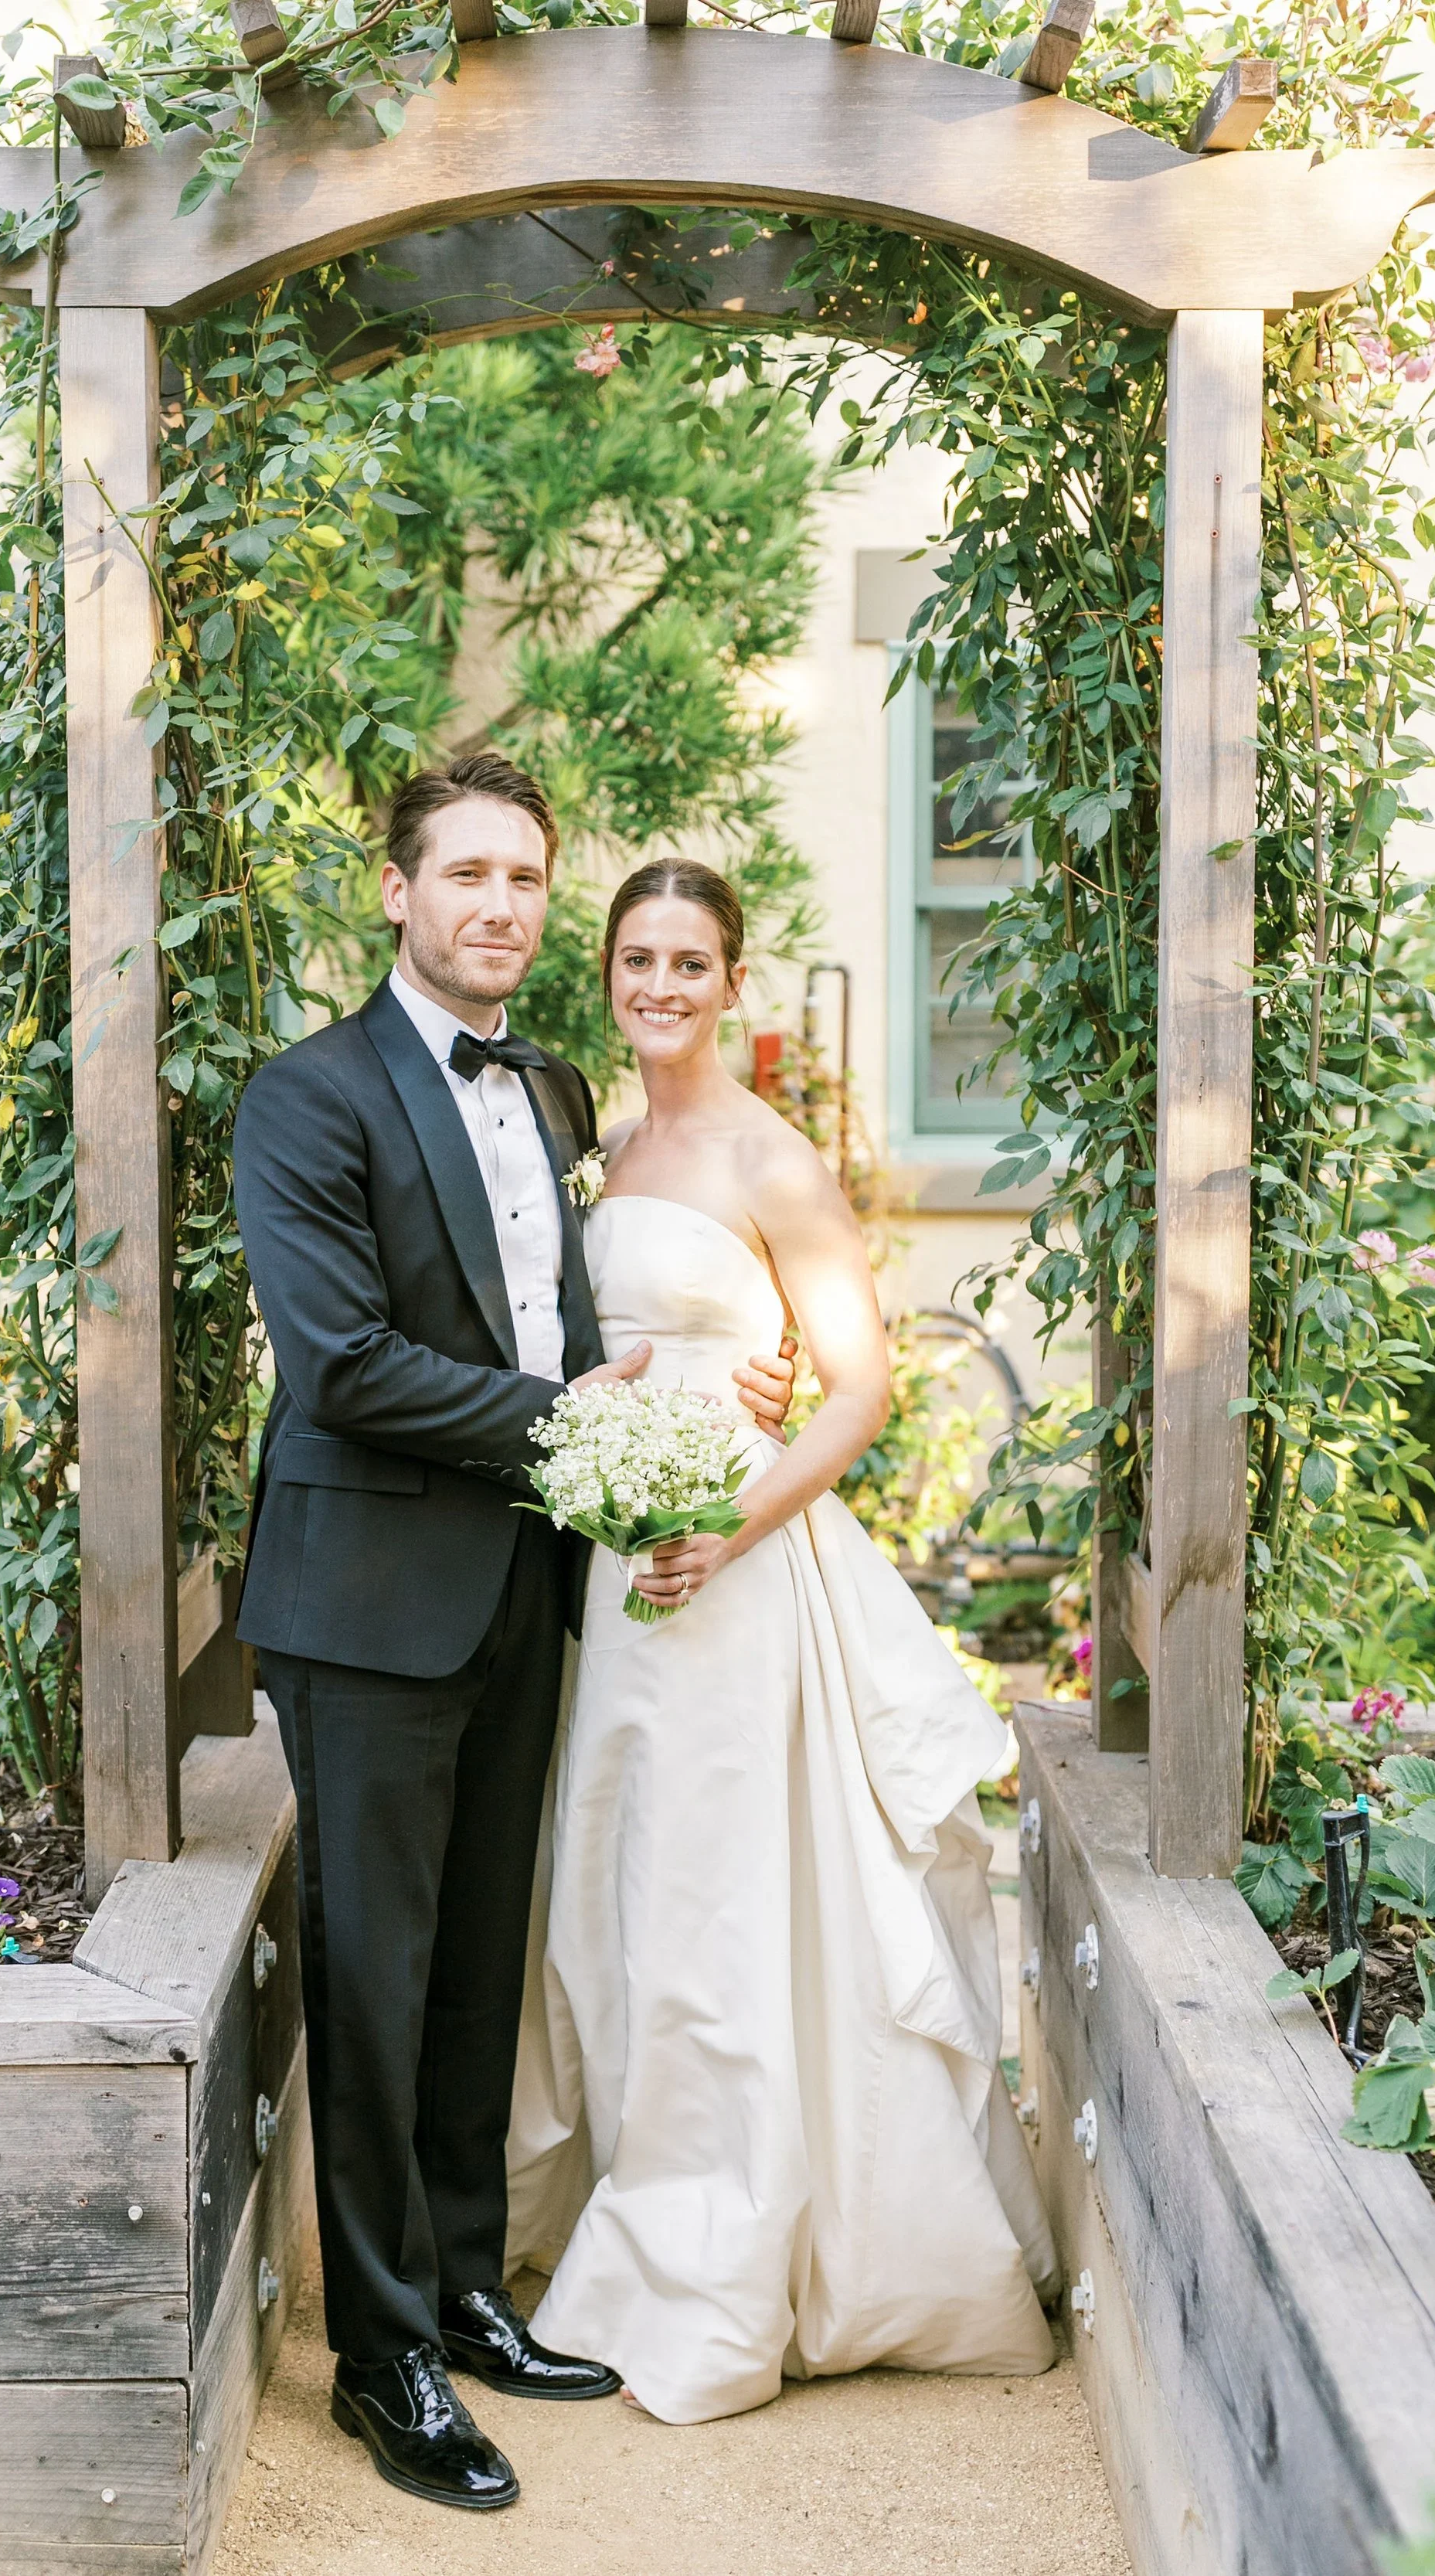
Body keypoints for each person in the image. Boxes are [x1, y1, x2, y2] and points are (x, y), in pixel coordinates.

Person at [232, 757, 795, 2512]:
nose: (499, 904)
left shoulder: (553, 1084)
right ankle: (381, 2356)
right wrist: (572, 1422)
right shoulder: (303, 1098)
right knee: (376, 1979)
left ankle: (466, 2283)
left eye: (525, 877)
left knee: (480, 1964)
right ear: (394, 893)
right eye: (464, 872)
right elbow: (340, 1365)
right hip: (366, 1604)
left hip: (523, 1590)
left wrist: (718, 1373)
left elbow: (591, 1295)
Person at [505, 856, 1060, 2424]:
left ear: (731, 984)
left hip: (731, 1568)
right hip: (613, 1572)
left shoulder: (773, 1160)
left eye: (689, 964)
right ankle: (640, 2184)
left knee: (721, 1900)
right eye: (635, 961)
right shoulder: (601, 1147)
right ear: (606, 978)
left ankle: (735, 2245)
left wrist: (727, 1519)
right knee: (612, 1889)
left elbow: (858, 1388)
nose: (660, 988)